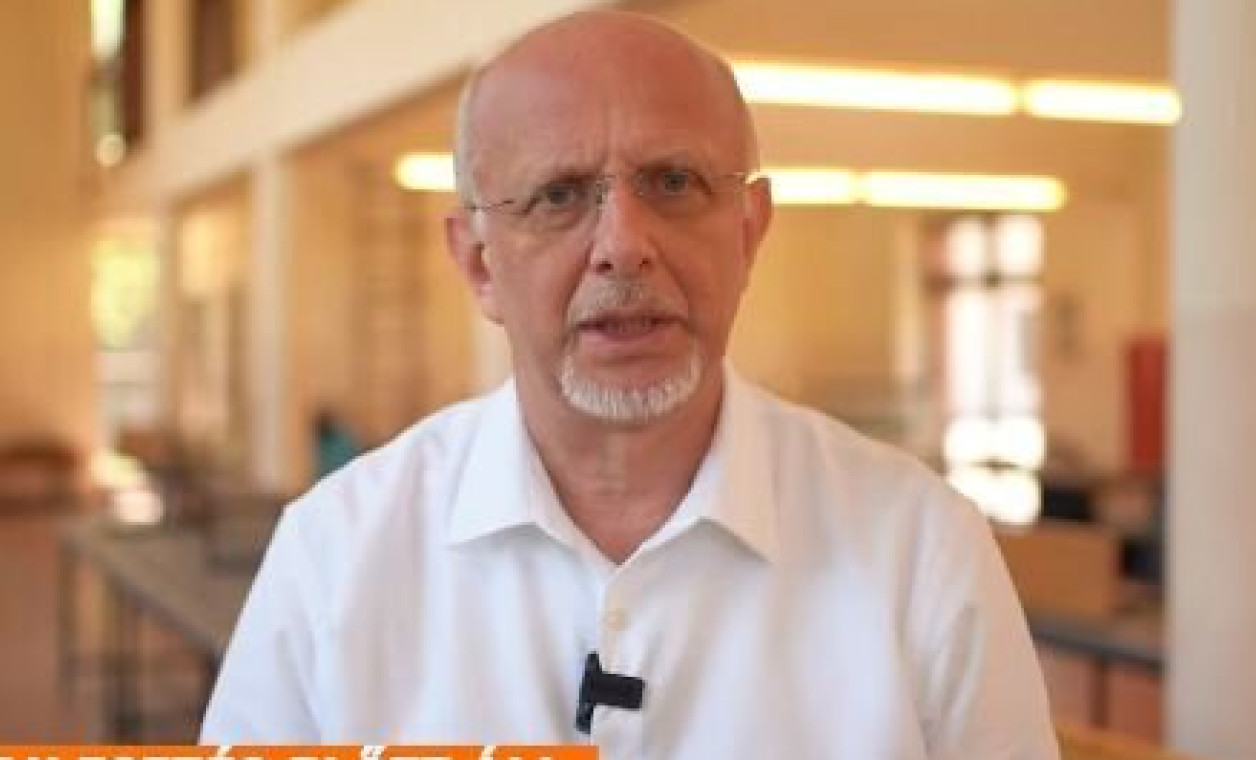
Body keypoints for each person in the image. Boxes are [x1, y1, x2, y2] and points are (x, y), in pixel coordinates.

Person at [202, 11, 1058, 758]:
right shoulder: (336, 556)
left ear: (748, 233)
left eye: (674, 183)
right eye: (558, 196)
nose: (623, 246)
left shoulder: (919, 549)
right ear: (480, 266)